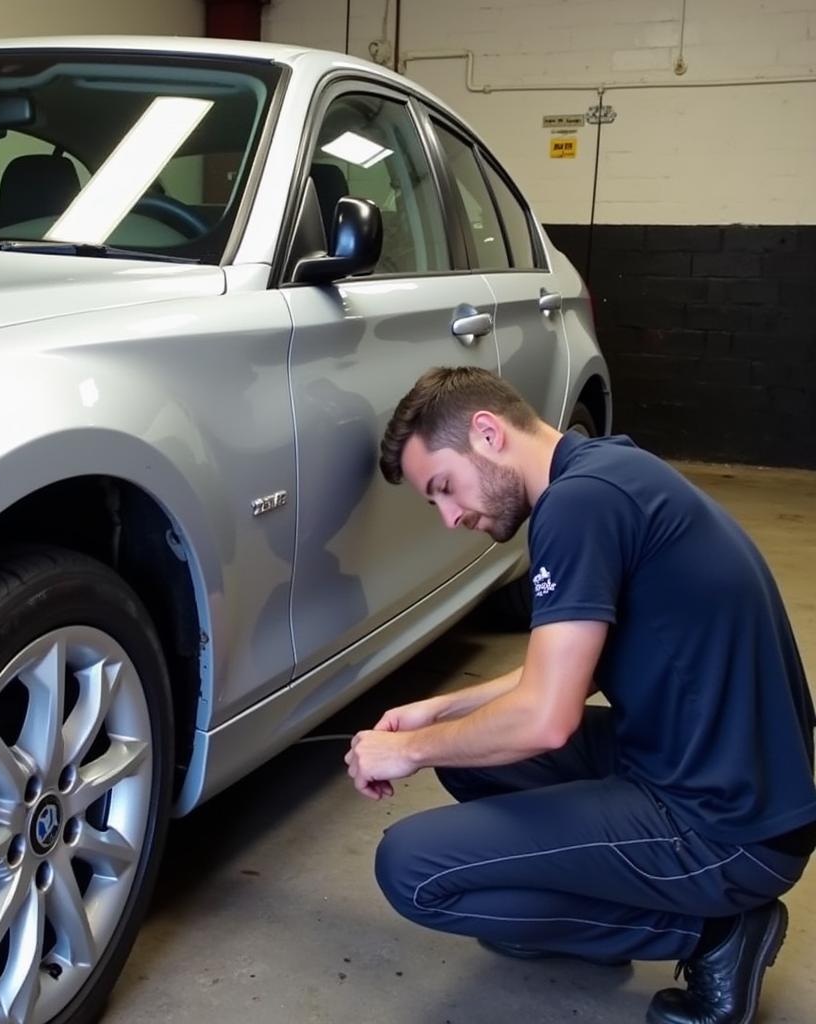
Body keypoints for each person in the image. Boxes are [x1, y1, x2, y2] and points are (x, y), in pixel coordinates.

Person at [345, 366, 816, 1024]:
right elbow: (573, 667)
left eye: (444, 489)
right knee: (467, 749)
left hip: (728, 830)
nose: (452, 517)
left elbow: (546, 718)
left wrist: (407, 751)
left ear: (487, 433)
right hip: (728, 778)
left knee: (412, 870)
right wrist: (439, 711)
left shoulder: (576, 506)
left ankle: (715, 936)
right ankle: (578, 921)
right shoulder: (606, 470)